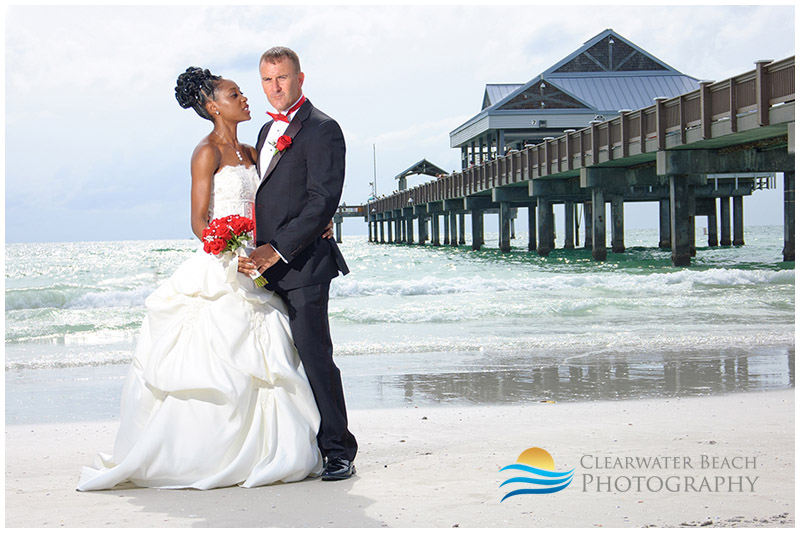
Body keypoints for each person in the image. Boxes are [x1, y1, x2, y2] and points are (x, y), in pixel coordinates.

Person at [77, 67, 326, 491]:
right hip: (224, 263)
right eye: (235, 94)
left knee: (269, 356)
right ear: (213, 106)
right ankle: (207, 452)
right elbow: (198, 220)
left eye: (245, 93)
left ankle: (269, 448)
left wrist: (312, 222)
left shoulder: (254, 150)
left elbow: (278, 201)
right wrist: (232, 251)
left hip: (260, 261)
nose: (246, 98)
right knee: (217, 358)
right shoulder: (205, 152)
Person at [249, 47, 357, 481]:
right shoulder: (262, 131)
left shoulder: (322, 129)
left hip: (305, 265)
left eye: (283, 78)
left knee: (315, 356)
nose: (275, 88)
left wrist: (277, 248)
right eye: (267, 80)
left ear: (300, 78)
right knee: (273, 359)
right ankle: (287, 444)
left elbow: (322, 201)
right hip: (260, 267)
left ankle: (339, 449)